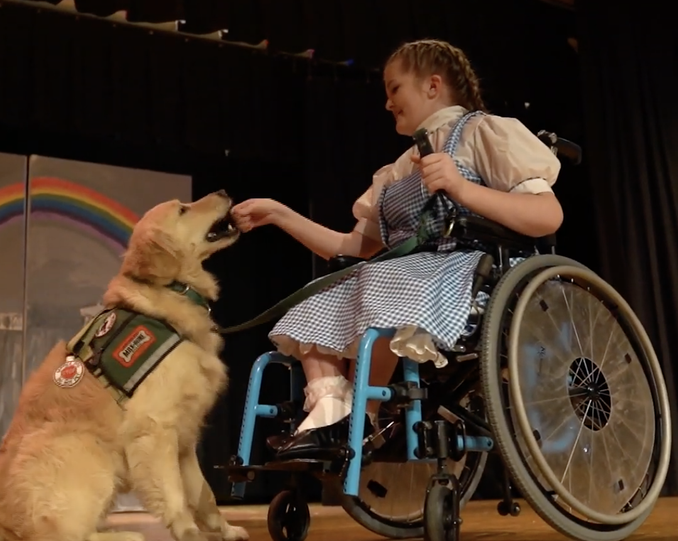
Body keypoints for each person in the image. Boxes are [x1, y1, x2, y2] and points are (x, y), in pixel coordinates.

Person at [230, 39, 564, 460]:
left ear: (432, 86)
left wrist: (462, 188)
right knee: (323, 296)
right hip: (409, 275)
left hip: (475, 273)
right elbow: (352, 247)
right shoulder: (398, 170)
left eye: (394, 89)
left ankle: (360, 421)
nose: (387, 103)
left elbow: (546, 216)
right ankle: (331, 411)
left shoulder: (483, 133)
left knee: (381, 281)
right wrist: (280, 215)